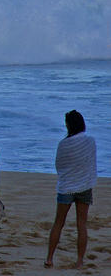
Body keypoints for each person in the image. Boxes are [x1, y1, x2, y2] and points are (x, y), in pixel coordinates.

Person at [45, 110, 97, 269]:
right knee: (81, 224)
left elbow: (59, 165)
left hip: (66, 186)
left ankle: (49, 258)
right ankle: (80, 261)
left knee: (58, 222)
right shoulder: (90, 141)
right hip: (84, 186)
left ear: (69, 125)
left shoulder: (64, 144)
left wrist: (68, 177)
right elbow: (90, 163)